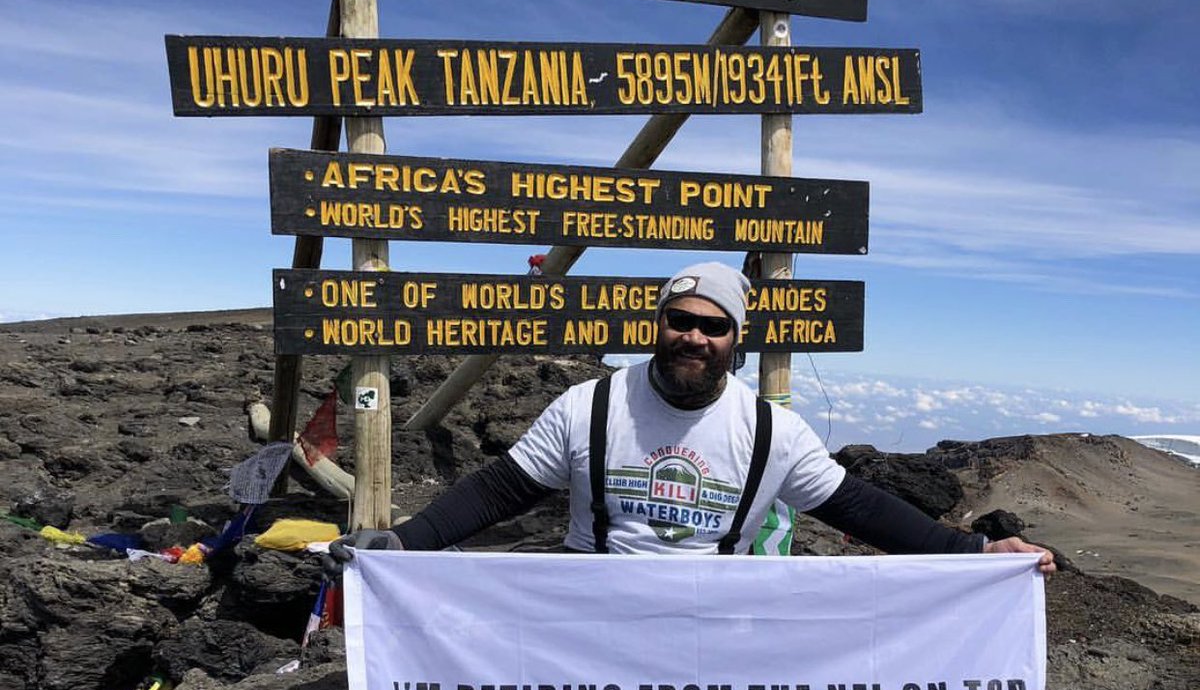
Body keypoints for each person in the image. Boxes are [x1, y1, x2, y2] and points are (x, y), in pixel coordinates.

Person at [327, 262, 1055, 572]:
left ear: (737, 339)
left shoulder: (771, 431)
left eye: (714, 326)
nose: (694, 337)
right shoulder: (590, 405)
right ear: (659, 323)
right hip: (589, 615)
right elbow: (500, 490)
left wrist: (975, 554)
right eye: (681, 320)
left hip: (713, 625)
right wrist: (405, 543)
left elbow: (858, 508)